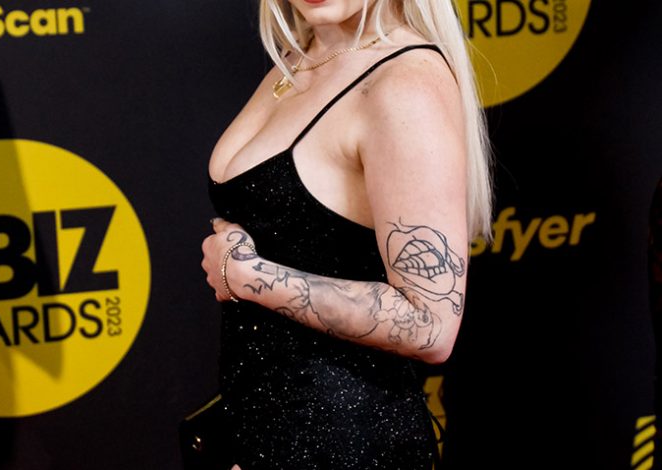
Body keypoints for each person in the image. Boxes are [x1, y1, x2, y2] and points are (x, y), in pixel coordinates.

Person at [201, 0, 492, 468]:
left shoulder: (404, 85)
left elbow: (431, 325)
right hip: (264, 432)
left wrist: (248, 276)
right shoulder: (307, 54)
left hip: (345, 444)